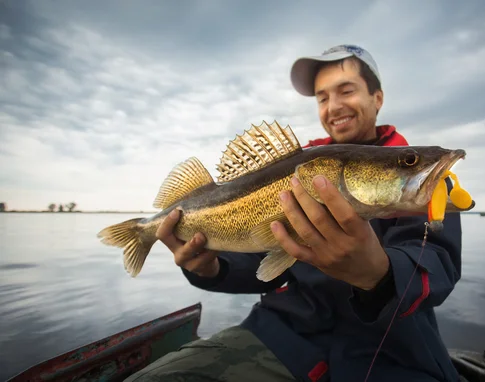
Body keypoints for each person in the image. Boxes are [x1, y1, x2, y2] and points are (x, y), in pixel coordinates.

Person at [125, 45, 463, 382]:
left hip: (392, 351)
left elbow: (438, 266)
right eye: (322, 97)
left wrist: (379, 274)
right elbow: (262, 266)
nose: (334, 106)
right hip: (284, 336)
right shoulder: (298, 172)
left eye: (347, 90)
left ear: (377, 98)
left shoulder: (421, 192)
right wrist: (211, 267)